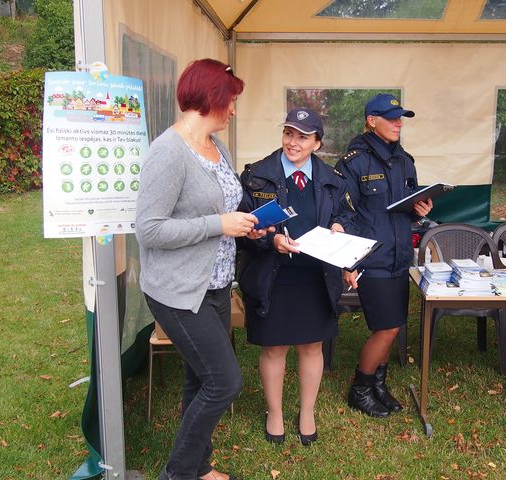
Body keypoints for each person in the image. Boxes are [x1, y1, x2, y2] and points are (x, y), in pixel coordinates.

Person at [136, 59, 267, 480]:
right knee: (224, 382)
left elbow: (224, 208)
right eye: (231, 100)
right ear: (211, 97)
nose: (234, 110)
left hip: (216, 285)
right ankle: (178, 474)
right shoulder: (168, 152)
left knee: (200, 379)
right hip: (178, 291)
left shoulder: (216, 146)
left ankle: (198, 467)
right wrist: (218, 225)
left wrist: (247, 225)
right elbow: (149, 230)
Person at [237, 108, 351, 446]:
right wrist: (269, 240)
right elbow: (241, 228)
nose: (293, 142)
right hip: (273, 274)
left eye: (303, 137)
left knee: (312, 345)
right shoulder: (256, 176)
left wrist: (340, 225)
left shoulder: (332, 178)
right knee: (274, 347)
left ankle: (307, 412)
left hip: (316, 275)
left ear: (317, 143)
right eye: (288, 133)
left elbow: (347, 215)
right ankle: (274, 413)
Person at [335, 93, 433, 418]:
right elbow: (343, 214)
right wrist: (350, 261)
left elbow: (408, 205)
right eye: (391, 118)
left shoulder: (405, 160)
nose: (398, 123)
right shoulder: (353, 163)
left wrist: (420, 209)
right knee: (387, 328)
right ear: (371, 121)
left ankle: (378, 384)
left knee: (395, 324)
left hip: (399, 256)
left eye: (400, 118)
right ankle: (360, 388)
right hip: (371, 259)